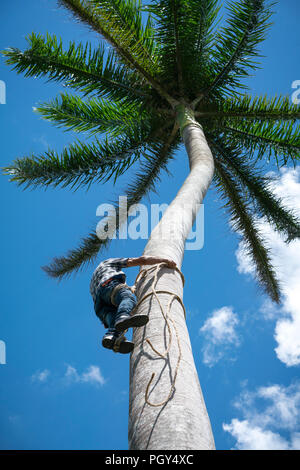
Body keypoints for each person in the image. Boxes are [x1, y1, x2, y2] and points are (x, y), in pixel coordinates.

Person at [90, 255, 176, 354]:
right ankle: (122, 317)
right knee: (128, 299)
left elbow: (104, 295)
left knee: (116, 326)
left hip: (100, 305)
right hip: (110, 285)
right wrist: (164, 259)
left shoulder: (94, 280)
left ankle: (113, 339)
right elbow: (139, 260)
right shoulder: (108, 262)